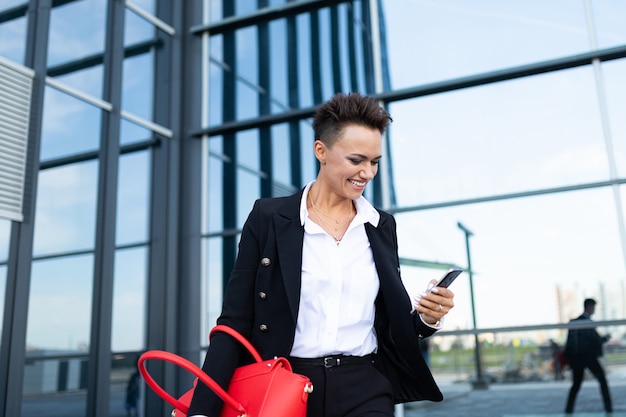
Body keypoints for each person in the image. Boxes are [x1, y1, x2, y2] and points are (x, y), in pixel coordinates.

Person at [187, 92, 456, 417]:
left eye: (374, 162)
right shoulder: (268, 218)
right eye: (356, 160)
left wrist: (428, 317)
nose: (368, 173)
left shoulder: (380, 226)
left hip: (365, 387)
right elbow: (234, 321)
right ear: (321, 151)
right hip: (284, 387)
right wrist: (201, 410)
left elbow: (389, 323)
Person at [563, 298, 612, 414]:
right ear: (590, 307)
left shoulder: (574, 322)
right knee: (603, 382)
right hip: (589, 358)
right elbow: (594, 340)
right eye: (593, 307)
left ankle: (568, 411)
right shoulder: (587, 322)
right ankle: (608, 408)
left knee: (576, 385)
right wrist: (605, 338)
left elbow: (570, 342)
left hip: (577, 359)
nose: (594, 310)